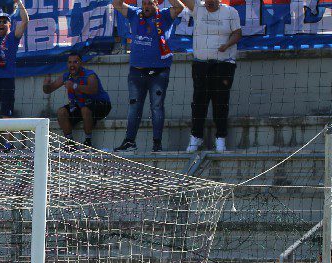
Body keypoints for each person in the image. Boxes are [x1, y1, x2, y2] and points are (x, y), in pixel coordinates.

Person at [112, 0, 186, 153]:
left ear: (156, 5)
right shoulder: (134, 13)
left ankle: (157, 144)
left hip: (159, 71)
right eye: (144, 3)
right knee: (134, 107)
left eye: (150, 3)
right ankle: (130, 142)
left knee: (157, 107)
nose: (146, 6)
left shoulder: (165, 15)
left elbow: (179, 7)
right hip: (136, 71)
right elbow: (117, 4)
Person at [183, 0, 242, 152]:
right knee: (198, 102)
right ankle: (196, 136)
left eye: (212, 2)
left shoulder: (231, 12)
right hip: (201, 64)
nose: (209, 4)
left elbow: (237, 33)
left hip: (224, 64)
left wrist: (227, 45)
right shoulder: (198, 8)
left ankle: (221, 138)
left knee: (221, 102)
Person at [41, 53, 111, 147]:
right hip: (82, 105)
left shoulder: (90, 75)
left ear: (81, 63)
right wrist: (46, 85)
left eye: (75, 62)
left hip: (101, 104)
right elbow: (49, 90)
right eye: (70, 62)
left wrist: (74, 86)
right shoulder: (66, 76)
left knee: (85, 109)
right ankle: (70, 143)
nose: (72, 65)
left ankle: (88, 142)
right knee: (61, 112)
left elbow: (93, 89)